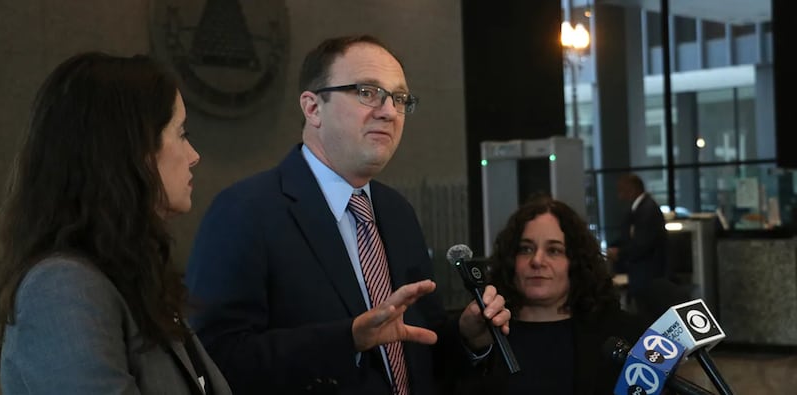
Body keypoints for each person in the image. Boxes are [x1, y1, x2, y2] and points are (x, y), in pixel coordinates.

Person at [185, 35, 510, 395]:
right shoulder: (246, 211)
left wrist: (466, 335)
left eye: (399, 98)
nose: (388, 111)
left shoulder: (396, 212)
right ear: (312, 108)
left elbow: (420, 345)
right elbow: (216, 358)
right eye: (367, 92)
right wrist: (349, 339)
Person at [0, 52, 231, 394]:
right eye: (181, 133)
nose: (194, 155)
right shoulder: (61, 288)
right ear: (131, 150)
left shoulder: (133, 274)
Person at [456, 196, 647, 395]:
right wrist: (473, 344)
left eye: (554, 250)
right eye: (526, 249)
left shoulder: (624, 335)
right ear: (511, 259)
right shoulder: (480, 332)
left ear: (576, 262)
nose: (537, 261)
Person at [607, 173, 668, 319]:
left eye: (621, 190)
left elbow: (642, 244)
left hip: (648, 276)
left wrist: (620, 253)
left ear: (632, 189)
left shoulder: (647, 210)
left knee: (649, 316)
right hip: (643, 276)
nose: (619, 195)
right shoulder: (640, 208)